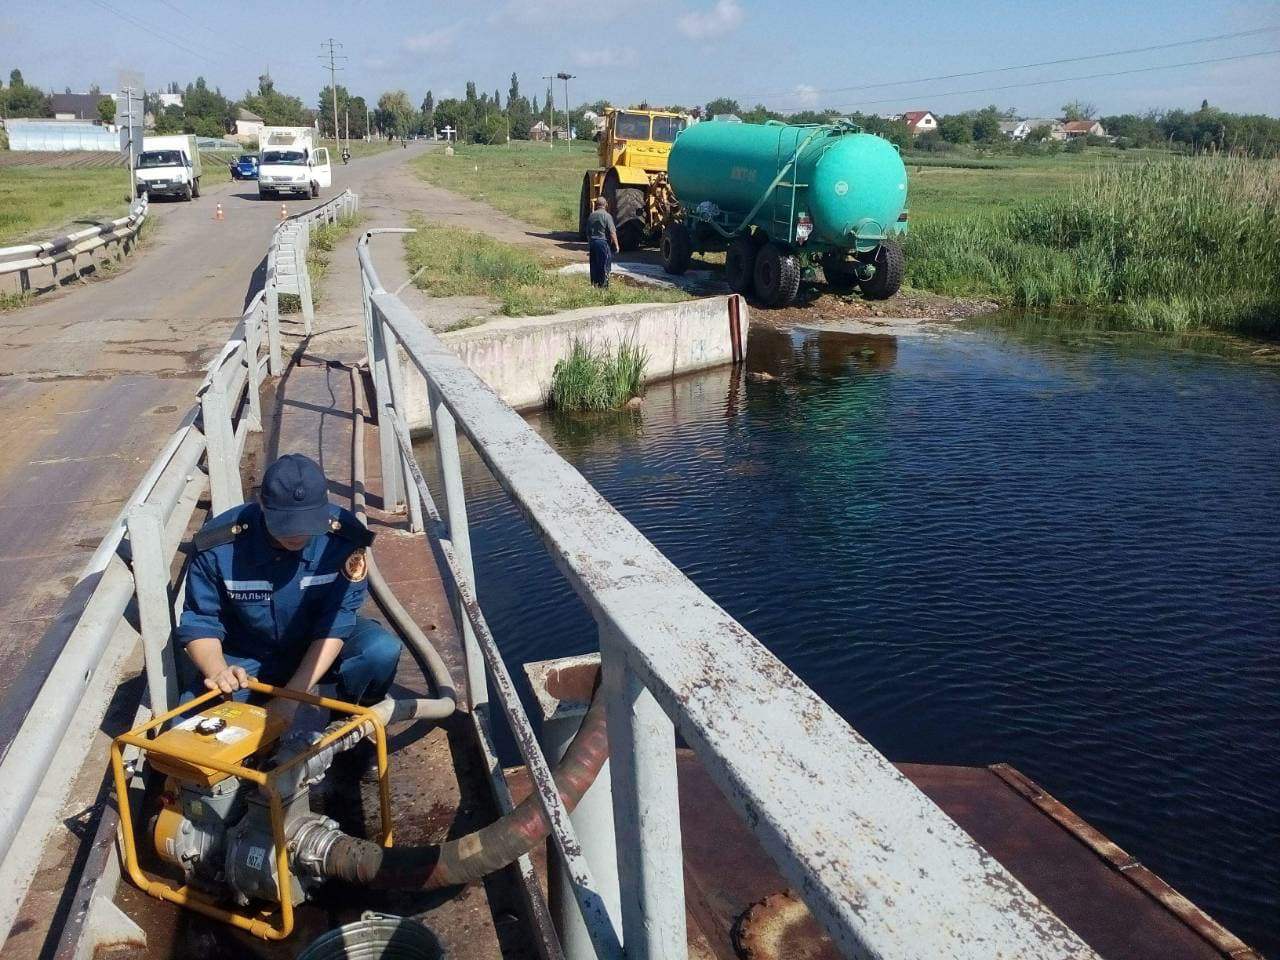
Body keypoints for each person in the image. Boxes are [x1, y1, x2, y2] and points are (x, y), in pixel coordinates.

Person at [176, 453, 401, 726]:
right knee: (190, 730)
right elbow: (201, 621)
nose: (296, 534)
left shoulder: (343, 539)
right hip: (249, 653)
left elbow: (338, 620)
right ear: (262, 505)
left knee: (379, 651)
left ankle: (350, 718)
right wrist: (219, 671)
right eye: (285, 524)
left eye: (307, 524)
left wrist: (292, 698)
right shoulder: (219, 545)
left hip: (319, 642)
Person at [586, 197, 620, 288]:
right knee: (605, 265)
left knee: (594, 265)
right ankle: (604, 287)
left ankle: (594, 285)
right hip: (603, 243)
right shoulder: (607, 216)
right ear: (606, 205)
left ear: (596, 205)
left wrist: (590, 243)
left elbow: (587, 232)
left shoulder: (591, 216)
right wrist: (616, 245)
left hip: (593, 243)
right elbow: (612, 232)